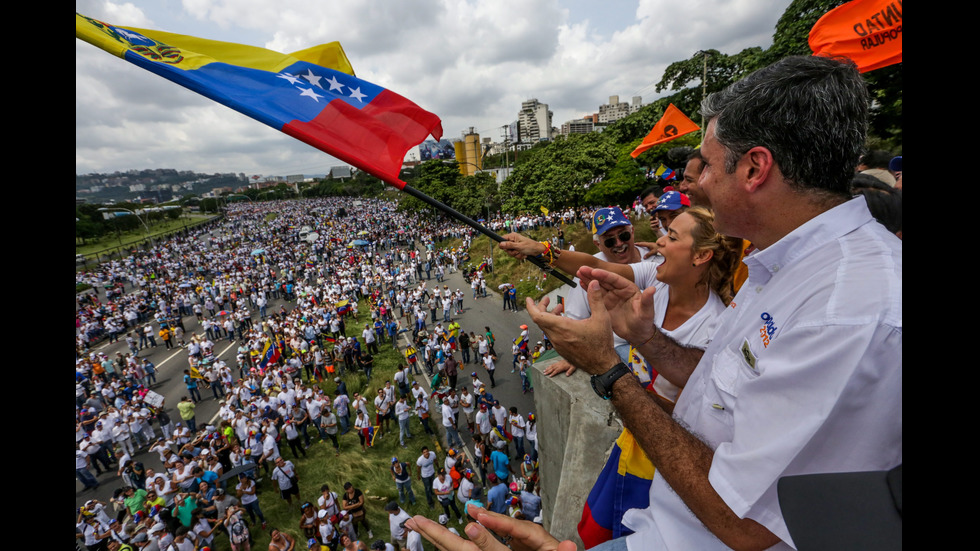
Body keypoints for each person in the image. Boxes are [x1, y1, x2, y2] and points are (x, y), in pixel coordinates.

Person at [410, 55, 902, 551]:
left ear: (755, 168)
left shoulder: (846, 309)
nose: (693, 184)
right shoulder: (787, 265)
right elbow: (726, 380)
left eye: (706, 164)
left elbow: (744, 520)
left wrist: (607, 370)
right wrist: (645, 337)